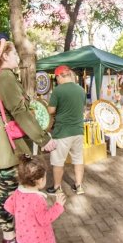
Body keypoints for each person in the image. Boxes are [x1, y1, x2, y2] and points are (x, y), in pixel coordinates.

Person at [0, 39, 57, 243]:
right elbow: (19, 111)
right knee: (7, 190)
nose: (17, 58)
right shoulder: (5, 77)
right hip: (5, 142)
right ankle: (10, 234)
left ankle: (13, 231)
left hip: (0, 138)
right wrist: (43, 138)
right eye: (14, 54)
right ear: (4, 56)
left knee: (8, 187)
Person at [46, 65, 87, 195]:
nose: (56, 80)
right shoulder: (81, 90)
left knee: (58, 161)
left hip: (62, 132)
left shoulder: (58, 91)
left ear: (59, 76)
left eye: (56, 78)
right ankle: (79, 186)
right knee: (78, 159)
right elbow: (82, 108)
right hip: (78, 131)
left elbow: (51, 110)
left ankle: (57, 187)